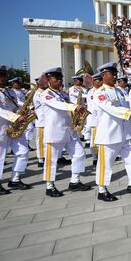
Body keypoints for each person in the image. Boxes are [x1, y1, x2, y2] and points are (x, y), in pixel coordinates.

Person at [93, 62, 131, 201]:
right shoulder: (100, 93)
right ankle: (102, 190)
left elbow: (124, 105)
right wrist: (129, 113)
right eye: (111, 74)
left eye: (115, 74)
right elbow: (110, 108)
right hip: (110, 134)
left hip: (125, 132)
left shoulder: (119, 91)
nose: (115, 76)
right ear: (103, 75)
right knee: (106, 163)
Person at [39, 67, 92, 197]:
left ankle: (75, 180)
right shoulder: (46, 94)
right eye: (55, 78)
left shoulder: (63, 93)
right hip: (55, 132)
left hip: (69, 130)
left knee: (79, 154)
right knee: (51, 160)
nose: (59, 80)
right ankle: (49, 186)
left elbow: (67, 106)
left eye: (60, 78)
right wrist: (74, 107)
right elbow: (58, 105)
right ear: (48, 80)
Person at [0, 66, 32, 194]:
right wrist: (16, 117)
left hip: (13, 128)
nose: (3, 77)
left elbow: (14, 107)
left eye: (4, 74)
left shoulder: (10, 92)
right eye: (0, 75)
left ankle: (14, 179)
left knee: (23, 151)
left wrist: (26, 110)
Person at [85, 73, 103, 166]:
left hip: (101, 120)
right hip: (95, 120)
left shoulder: (101, 90)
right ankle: (95, 158)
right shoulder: (92, 92)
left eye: (101, 80)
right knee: (95, 141)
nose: (100, 82)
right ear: (94, 81)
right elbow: (95, 108)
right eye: (98, 80)